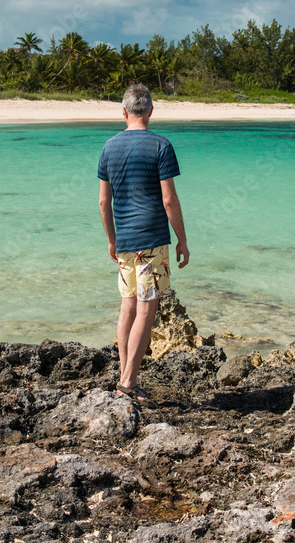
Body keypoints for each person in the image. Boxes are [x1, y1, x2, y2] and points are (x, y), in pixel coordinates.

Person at [98, 84, 189, 403]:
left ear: (124, 112)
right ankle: (127, 384)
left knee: (128, 307)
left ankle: (126, 380)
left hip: (124, 239)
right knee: (147, 309)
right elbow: (168, 199)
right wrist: (182, 239)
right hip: (152, 239)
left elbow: (102, 202)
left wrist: (111, 239)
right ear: (150, 111)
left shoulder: (109, 147)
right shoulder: (161, 145)